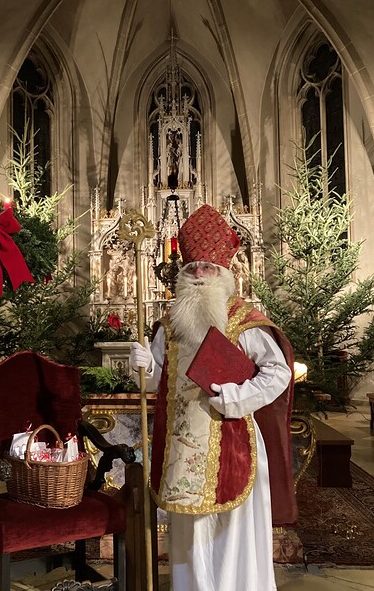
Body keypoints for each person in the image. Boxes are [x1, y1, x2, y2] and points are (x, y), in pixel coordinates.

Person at [130, 204, 297, 591]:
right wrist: (144, 367)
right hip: (182, 448)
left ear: (225, 274)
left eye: (209, 268)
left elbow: (278, 373)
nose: (200, 274)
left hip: (233, 439)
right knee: (190, 538)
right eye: (193, 268)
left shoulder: (244, 321)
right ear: (182, 274)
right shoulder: (168, 327)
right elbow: (155, 386)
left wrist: (237, 396)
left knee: (232, 534)